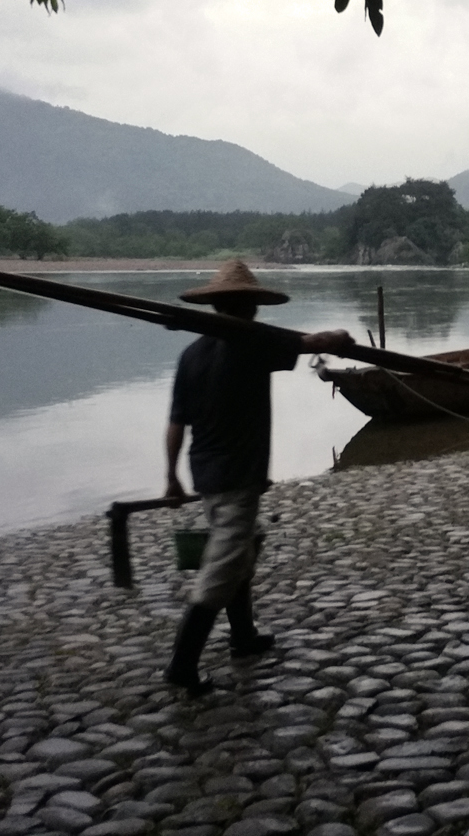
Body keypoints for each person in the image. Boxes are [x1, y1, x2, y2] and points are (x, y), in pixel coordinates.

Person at [162, 259, 352, 694]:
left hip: (205, 472)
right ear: (250, 307)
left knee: (243, 547)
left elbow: (177, 423)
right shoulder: (251, 343)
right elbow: (312, 341)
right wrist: (339, 338)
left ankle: (243, 635)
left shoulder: (191, 354)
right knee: (222, 567)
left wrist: (172, 477)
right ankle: (181, 664)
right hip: (236, 476)